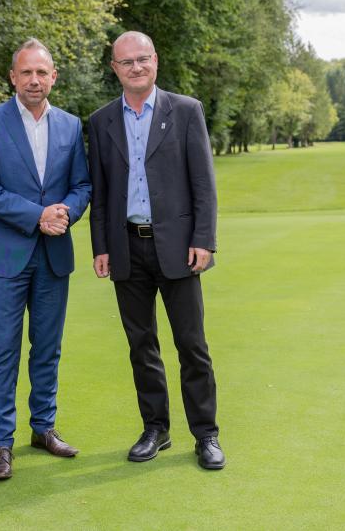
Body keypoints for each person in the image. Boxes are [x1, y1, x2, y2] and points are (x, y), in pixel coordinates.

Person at [88, 31, 225, 470]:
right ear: (115, 68)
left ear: (155, 62)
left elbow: (203, 183)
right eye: (126, 62)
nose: (135, 67)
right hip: (127, 249)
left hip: (179, 249)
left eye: (142, 59)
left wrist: (204, 239)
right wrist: (101, 246)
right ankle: (156, 428)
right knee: (141, 344)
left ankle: (205, 434)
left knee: (192, 345)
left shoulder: (185, 111)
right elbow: (100, 191)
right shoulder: (101, 120)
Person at [0, 38, 91, 480]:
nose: (34, 80)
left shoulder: (72, 126)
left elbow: (82, 186)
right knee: (3, 350)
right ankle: (1, 443)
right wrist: (37, 215)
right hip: (6, 255)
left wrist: (65, 214)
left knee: (47, 349)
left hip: (54, 255)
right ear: (13, 77)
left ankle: (44, 428)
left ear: (54, 76)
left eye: (42, 72)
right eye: (26, 72)